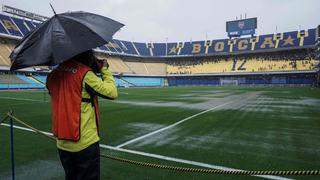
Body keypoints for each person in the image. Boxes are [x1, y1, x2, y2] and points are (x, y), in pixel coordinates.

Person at [46, 50, 118, 180]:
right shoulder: (84, 73)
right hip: (85, 144)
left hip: (62, 143)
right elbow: (112, 92)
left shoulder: (53, 74)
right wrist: (105, 70)